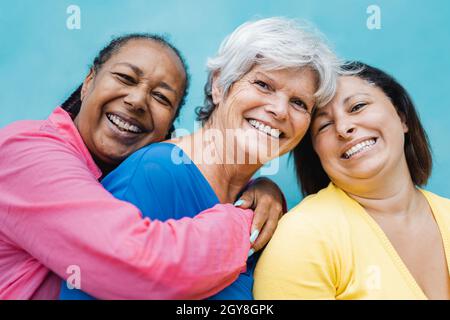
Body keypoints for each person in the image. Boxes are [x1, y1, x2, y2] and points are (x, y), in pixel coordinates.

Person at [60, 17, 342, 300]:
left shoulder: (263, 204)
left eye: (298, 103)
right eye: (263, 85)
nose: (280, 110)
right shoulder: (155, 172)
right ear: (220, 85)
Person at [0, 33, 285, 300]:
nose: (137, 101)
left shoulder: (132, 176)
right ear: (89, 81)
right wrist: (245, 220)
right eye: (125, 77)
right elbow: (131, 262)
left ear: (168, 130)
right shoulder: (26, 150)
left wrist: (260, 190)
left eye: (161, 98)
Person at [254, 62, 450, 300]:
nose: (344, 128)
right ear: (315, 151)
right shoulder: (305, 236)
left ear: (401, 117)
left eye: (357, 106)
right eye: (324, 125)